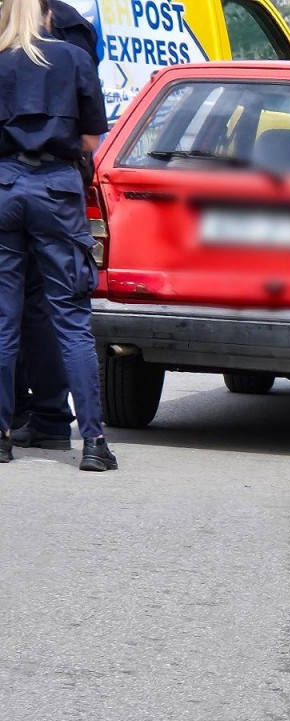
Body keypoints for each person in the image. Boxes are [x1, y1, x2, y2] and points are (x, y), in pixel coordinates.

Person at [0, 0, 117, 470]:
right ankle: (92, 442)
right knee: (69, 318)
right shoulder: (73, 58)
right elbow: (92, 139)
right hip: (56, 189)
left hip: (4, 187)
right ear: (49, 14)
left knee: (4, 321)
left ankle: (2, 436)